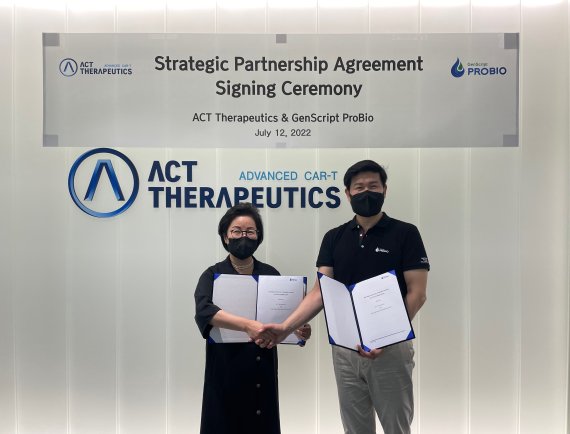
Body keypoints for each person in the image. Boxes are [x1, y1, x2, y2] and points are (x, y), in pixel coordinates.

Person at [260, 160, 430, 434]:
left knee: (396, 427)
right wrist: (285, 328)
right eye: (359, 187)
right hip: (345, 349)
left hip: (390, 348)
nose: (366, 192)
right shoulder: (334, 237)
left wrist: (385, 337)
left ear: (385, 190)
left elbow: (417, 293)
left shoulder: (405, 233)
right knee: (354, 428)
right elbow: (320, 292)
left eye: (373, 186)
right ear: (348, 194)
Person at [194, 202, 310, 434]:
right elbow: (205, 310)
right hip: (225, 367)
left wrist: (299, 330)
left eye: (250, 231)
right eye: (236, 231)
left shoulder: (271, 274)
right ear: (225, 237)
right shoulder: (212, 274)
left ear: (258, 237)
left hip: (261, 366)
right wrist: (247, 325)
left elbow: (288, 317)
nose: (243, 237)